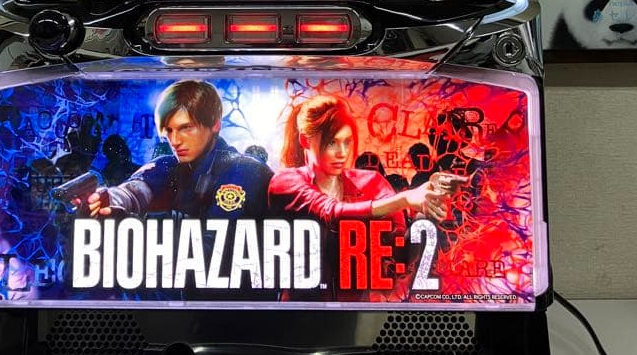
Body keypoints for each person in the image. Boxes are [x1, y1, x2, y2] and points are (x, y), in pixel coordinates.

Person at [268, 96, 467, 298]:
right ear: (305, 140)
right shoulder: (286, 182)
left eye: (347, 142)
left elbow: (398, 255)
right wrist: (405, 199)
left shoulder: (372, 183)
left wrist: (425, 219)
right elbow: (330, 212)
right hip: (301, 310)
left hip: (357, 308)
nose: (342, 153)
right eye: (331, 143)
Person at [86, 80, 272, 221]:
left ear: (215, 124)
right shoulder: (168, 165)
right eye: (169, 130)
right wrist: (109, 200)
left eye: (186, 128)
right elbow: (135, 191)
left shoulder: (246, 171)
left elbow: (217, 243)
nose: (174, 141)